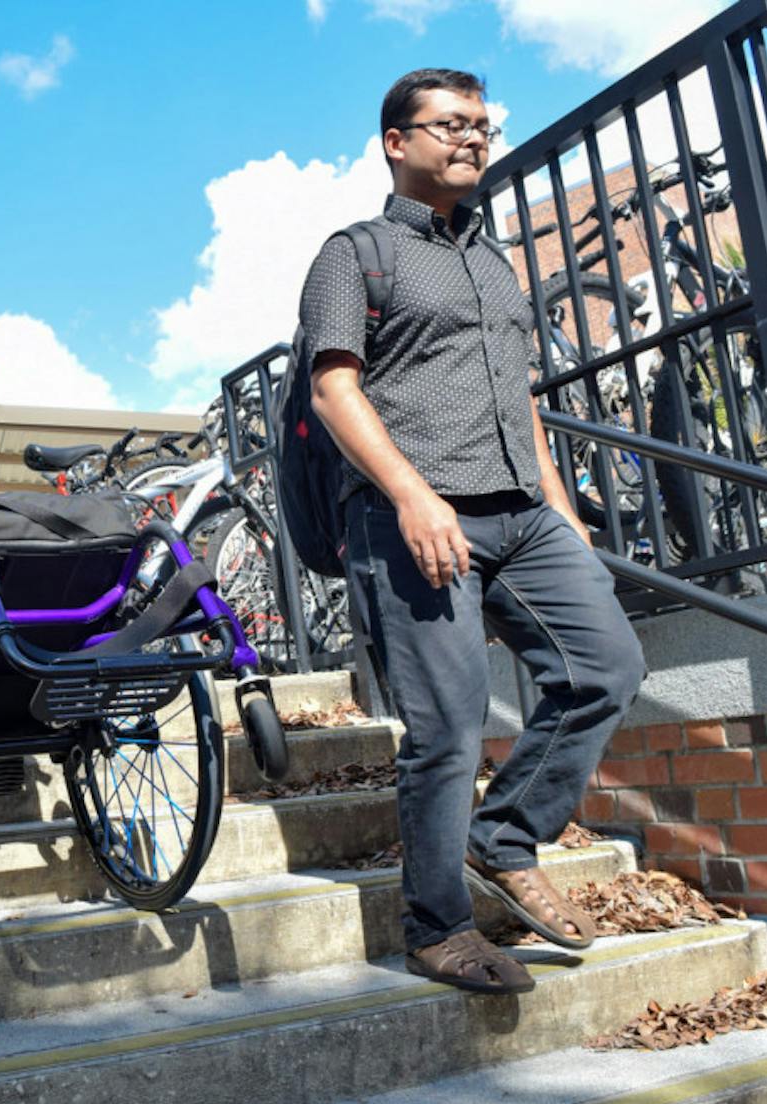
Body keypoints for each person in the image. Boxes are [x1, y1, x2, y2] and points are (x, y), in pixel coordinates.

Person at [300, 69, 645, 993]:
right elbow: (333, 388)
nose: (472, 139)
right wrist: (412, 496)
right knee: (449, 727)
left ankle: (505, 836)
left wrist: (559, 504)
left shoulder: (493, 260)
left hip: (522, 513)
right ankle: (437, 926)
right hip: (413, 514)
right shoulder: (356, 253)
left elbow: (515, 393)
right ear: (396, 141)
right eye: (450, 125)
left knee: (606, 665)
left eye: (482, 126)